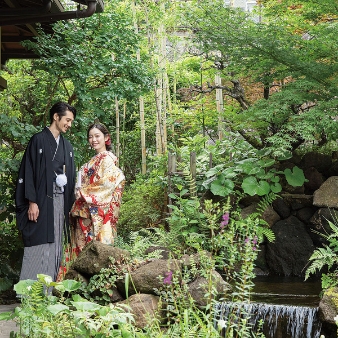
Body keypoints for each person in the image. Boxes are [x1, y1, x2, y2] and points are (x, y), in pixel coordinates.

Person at [15, 101, 76, 282]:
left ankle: (47, 293)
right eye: (67, 120)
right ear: (56, 117)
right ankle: (30, 294)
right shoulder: (38, 140)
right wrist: (32, 202)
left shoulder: (67, 147)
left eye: (71, 121)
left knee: (56, 244)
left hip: (59, 201)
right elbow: (28, 171)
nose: (69, 124)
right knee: (38, 242)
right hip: (40, 201)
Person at [70, 122, 125, 253]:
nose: (93, 140)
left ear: (106, 138)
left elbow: (107, 184)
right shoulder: (91, 162)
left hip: (99, 211)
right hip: (87, 210)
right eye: (90, 137)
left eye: (97, 136)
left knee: (99, 251)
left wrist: (83, 193)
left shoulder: (108, 159)